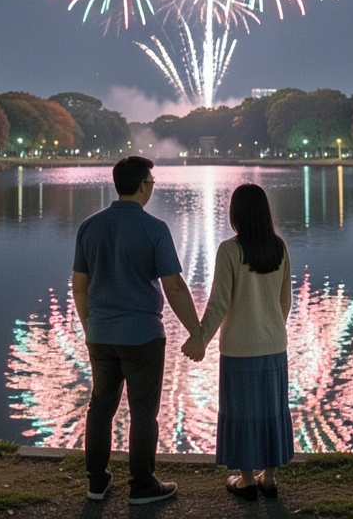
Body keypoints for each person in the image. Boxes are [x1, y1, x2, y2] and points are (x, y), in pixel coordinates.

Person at [73, 156, 201, 506]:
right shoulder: (154, 228)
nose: (152, 188)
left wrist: (90, 327)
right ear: (144, 186)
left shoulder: (89, 227)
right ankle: (142, 485)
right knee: (143, 412)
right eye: (152, 183)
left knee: (100, 407)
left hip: (100, 334)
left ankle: (96, 482)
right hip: (142, 335)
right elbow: (174, 287)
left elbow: (80, 286)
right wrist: (196, 332)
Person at [184, 184, 294, 502]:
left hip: (239, 348)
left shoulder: (230, 251)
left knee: (243, 413)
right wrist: (272, 328)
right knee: (272, 410)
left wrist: (200, 339)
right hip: (274, 345)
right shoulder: (279, 248)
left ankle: (246, 482)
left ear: (236, 214)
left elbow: (219, 303)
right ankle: (269, 479)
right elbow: (285, 300)